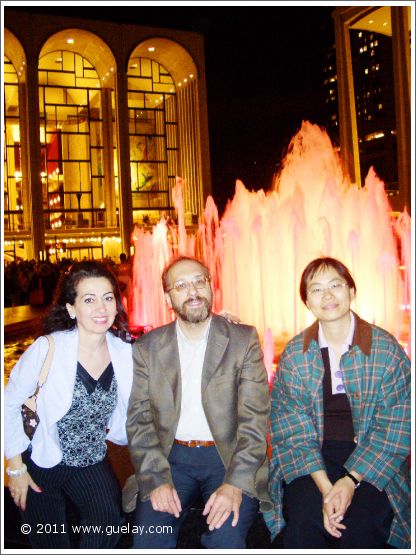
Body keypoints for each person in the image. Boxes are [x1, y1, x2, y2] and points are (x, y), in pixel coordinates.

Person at [126, 255, 272, 549]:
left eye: (199, 281)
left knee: (225, 539)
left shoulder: (242, 340)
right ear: (168, 297)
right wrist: (155, 477)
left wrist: (235, 484)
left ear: (211, 286)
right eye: (180, 285)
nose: (192, 292)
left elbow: (255, 420)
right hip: (170, 459)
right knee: (148, 540)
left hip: (227, 459)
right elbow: (139, 419)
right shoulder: (147, 348)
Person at [265, 257, 411, 549]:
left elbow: (398, 426)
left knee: (359, 528)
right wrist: (327, 488)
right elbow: (291, 430)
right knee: (305, 522)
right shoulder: (296, 353)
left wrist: (349, 480)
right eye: (316, 289)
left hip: (370, 457)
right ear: (307, 301)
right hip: (311, 460)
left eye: (335, 286)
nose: (328, 296)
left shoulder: (385, 350)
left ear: (352, 292)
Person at [4, 261, 134, 548]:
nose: (101, 307)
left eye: (108, 297)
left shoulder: (125, 353)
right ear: (72, 308)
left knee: (108, 523)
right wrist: (14, 467)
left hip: (91, 461)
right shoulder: (48, 348)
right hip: (41, 462)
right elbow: (8, 403)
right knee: (49, 541)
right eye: (89, 299)